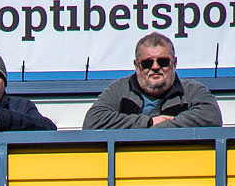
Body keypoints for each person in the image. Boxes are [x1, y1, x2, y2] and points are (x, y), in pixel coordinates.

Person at [83, 32, 222, 128]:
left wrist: (163, 127)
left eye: (163, 62)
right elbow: (92, 122)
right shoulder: (120, 89)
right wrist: (148, 122)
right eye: (147, 63)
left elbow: (211, 116)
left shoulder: (192, 90)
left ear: (174, 63)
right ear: (136, 66)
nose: (155, 67)